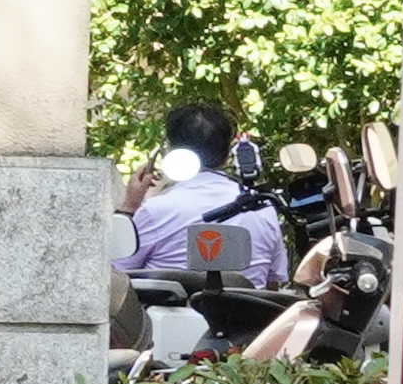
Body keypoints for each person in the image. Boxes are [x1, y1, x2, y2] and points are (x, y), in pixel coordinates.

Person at [120, 97, 285, 281]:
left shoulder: (155, 211)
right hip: (248, 301)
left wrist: (129, 207)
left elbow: (112, 274)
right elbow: (273, 283)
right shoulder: (263, 209)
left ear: (171, 152)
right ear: (228, 155)